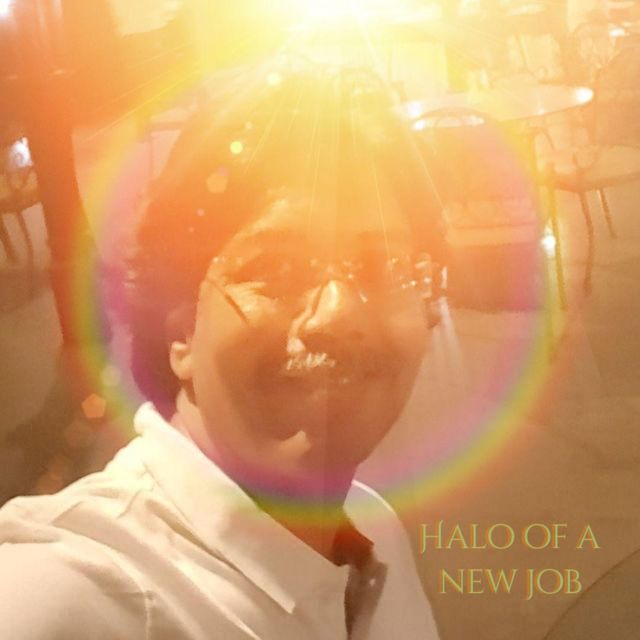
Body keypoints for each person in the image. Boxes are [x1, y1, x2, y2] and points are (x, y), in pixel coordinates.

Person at [0, 65, 443, 639]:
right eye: (275, 268)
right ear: (180, 332)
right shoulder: (75, 599)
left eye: (383, 266)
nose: (337, 314)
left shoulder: (374, 530)